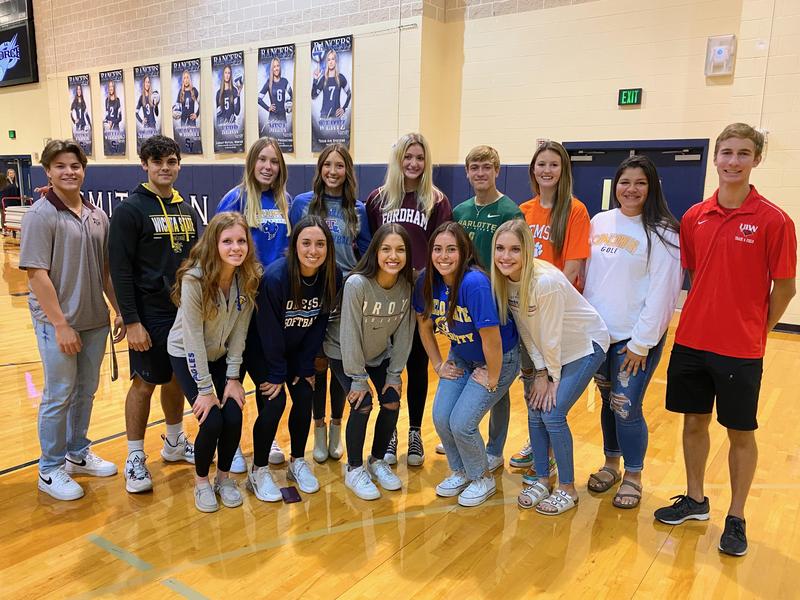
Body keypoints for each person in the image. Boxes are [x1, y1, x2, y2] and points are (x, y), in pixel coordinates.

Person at [654, 123, 797, 556]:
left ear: (756, 160)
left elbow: (785, 288)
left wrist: (758, 329)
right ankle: (696, 500)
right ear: (715, 158)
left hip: (740, 349)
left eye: (743, 153)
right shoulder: (695, 217)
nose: (734, 161)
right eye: (727, 153)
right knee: (693, 422)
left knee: (739, 432)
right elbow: (695, 275)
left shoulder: (775, 220)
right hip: (693, 341)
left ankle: (736, 517)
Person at [20, 139, 125, 500]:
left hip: (94, 319)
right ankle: (49, 469)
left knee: (86, 392)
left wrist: (119, 309)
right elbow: (36, 274)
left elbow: (107, 270)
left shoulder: (98, 216)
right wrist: (61, 324)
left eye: (75, 166)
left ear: (84, 170)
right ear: (48, 171)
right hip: (57, 323)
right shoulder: (39, 214)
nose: (69, 172)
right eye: (61, 166)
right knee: (59, 394)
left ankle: (76, 453)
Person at [582, 155, 682, 508]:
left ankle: (634, 474)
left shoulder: (664, 231)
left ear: (652, 187)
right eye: (625, 182)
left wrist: (641, 343)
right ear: (616, 185)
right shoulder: (599, 221)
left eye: (640, 183)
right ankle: (610, 463)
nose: (632, 189)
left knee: (626, 406)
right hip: (599, 336)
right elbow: (590, 278)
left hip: (634, 340)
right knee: (609, 403)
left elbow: (664, 293)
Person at [491, 220, 608, 514]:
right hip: (550, 352)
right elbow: (529, 332)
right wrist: (539, 374)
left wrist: (550, 377)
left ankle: (568, 489)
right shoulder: (504, 281)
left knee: (553, 414)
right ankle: (543, 479)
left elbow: (552, 336)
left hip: (584, 346)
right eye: (500, 249)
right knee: (535, 408)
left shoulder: (545, 283)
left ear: (528, 251)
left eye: (515, 250)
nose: (506, 256)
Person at [109, 135, 200, 494]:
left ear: (178, 165)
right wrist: (130, 320)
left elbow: (196, 262)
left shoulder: (187, 209)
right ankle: (134, 456)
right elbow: (119, 269)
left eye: (171, 161)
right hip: (148, 314)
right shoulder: (131, 210)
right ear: (144, 165)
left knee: (177, 377)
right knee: (144, 383)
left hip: (183, 312)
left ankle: (175, 442)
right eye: (157, 161)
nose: (165, 168)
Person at [415, 222, 520, 507]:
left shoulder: (474, 284)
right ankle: (461, 471)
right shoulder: (428, 279)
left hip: (499, 358)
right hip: (461, 355)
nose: (443, 256)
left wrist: (494, 377)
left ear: (464, 253)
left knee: (462, 423)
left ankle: (482, 477)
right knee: (441, 417)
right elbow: (424, 325)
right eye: (438, 249)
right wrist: (437, 364)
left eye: (452, 249)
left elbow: (493, 340)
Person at [365, 133, 453, 467]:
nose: (414, 163)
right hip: (386, 293)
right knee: (390, 364)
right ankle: (390, 431)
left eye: (419, 157)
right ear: (398, 159)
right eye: (408, 157)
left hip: (419, 292)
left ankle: (415, 431)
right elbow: (372, 247)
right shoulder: (378, 199)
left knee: (416, 364)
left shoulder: (437, 200)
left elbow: (443, 248)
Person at [168, 212, 259, 513]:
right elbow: (192, 337)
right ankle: (202, 481)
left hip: (221, 357)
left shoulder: (248, 278)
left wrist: (233, 378)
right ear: (214, 244)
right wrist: (206, 390)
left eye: (241, 241)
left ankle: (223, 479)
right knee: (213, 419)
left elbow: (240, 334)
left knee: (233, 415)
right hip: (187, 353)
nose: (236, 248)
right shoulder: (195, 279)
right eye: (227, 241)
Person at [245, 216, 341, 501]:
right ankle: (258, 469)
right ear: (294, 245)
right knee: (274, 402)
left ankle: (297, 461)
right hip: (263, 351)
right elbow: (268, 330)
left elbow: (320, 323)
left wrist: (304, 365)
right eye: (306, 243)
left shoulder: (332, 276)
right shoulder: (276, 278)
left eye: (320, 244)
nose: (313, 250)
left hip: (297, 350)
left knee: (304, 395)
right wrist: (276, 373)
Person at [513, 141, 591, 473]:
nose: (547, 170)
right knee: (532, 380)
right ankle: (538, 442)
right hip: (526, 312)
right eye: (541, 164)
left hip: (555, 313)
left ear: (563, 171)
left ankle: (552, 448)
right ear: (533, 170)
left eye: (554, 165)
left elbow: (572, 268)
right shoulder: (523, 210)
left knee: (552, 383)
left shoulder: (575, 210)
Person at [290, 144, 371, 463]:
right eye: (327, 165)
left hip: (346, 294)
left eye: (339, 166)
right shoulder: (302, 204)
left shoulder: (359, 210)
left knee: (340, 362)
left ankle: (337, 427)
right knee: (316, 362)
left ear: (347, 171)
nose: (333, 172)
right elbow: (292, 248)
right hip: (312, 290)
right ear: (320, 169)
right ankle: (319, 429)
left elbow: (365, 255)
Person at [216, 136, 293, 469]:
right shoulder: (234, 198)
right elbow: (218, 247)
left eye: (274, 161)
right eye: (262, 160)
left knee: (266, 373)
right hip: (237, 301)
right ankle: (229, 445)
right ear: (252, 163)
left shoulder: (285, 201)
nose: (268, 167)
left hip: (271, 304)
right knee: (231, 371)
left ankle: (267, 435)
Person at [324, 223, 415, 500]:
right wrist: (358, 378)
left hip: (378, 353)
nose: (393, 256)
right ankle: (353, 469)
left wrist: (394, 374)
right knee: (361, 402)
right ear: (375, 251)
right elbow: (348, 332)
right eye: (386, 249)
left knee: (391, 399)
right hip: (342, 351)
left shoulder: (406, 284)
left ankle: (376, 460)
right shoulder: (357, 284)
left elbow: (404, 333)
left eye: (400, 250)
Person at [452, 145, 523, 471]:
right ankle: (464, 433)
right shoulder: (461, 211)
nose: (480, 173)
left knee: (498, 379)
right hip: (465, 301)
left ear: (497, 171)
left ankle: (494, 448)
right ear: (467, 172)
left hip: (499, 301)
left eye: (487, 167)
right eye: (475, 167)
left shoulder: (510, 211)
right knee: (470, 366)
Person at [312, 49, 351, 119]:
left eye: (333, 59)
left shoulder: (340, 77)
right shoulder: (323, 79)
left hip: (336, 116)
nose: (331, 62)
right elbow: (313, 96)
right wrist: (315, 79)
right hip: (324, 116)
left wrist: (344, 108)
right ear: (327, 62)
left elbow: (349, 94)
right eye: (329, 60)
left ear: (336, 61)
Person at [259, 58, 293, 129]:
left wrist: (289, 105)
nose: (276, 68)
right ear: (272, 69)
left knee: (283, 139)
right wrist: (268, 108)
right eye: (274, 67)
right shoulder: (269, 82)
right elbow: (259, 99)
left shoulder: (284, 81)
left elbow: (293, 96)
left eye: (278, 66)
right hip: (272, 118)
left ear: (280, 67)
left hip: (283, 117)